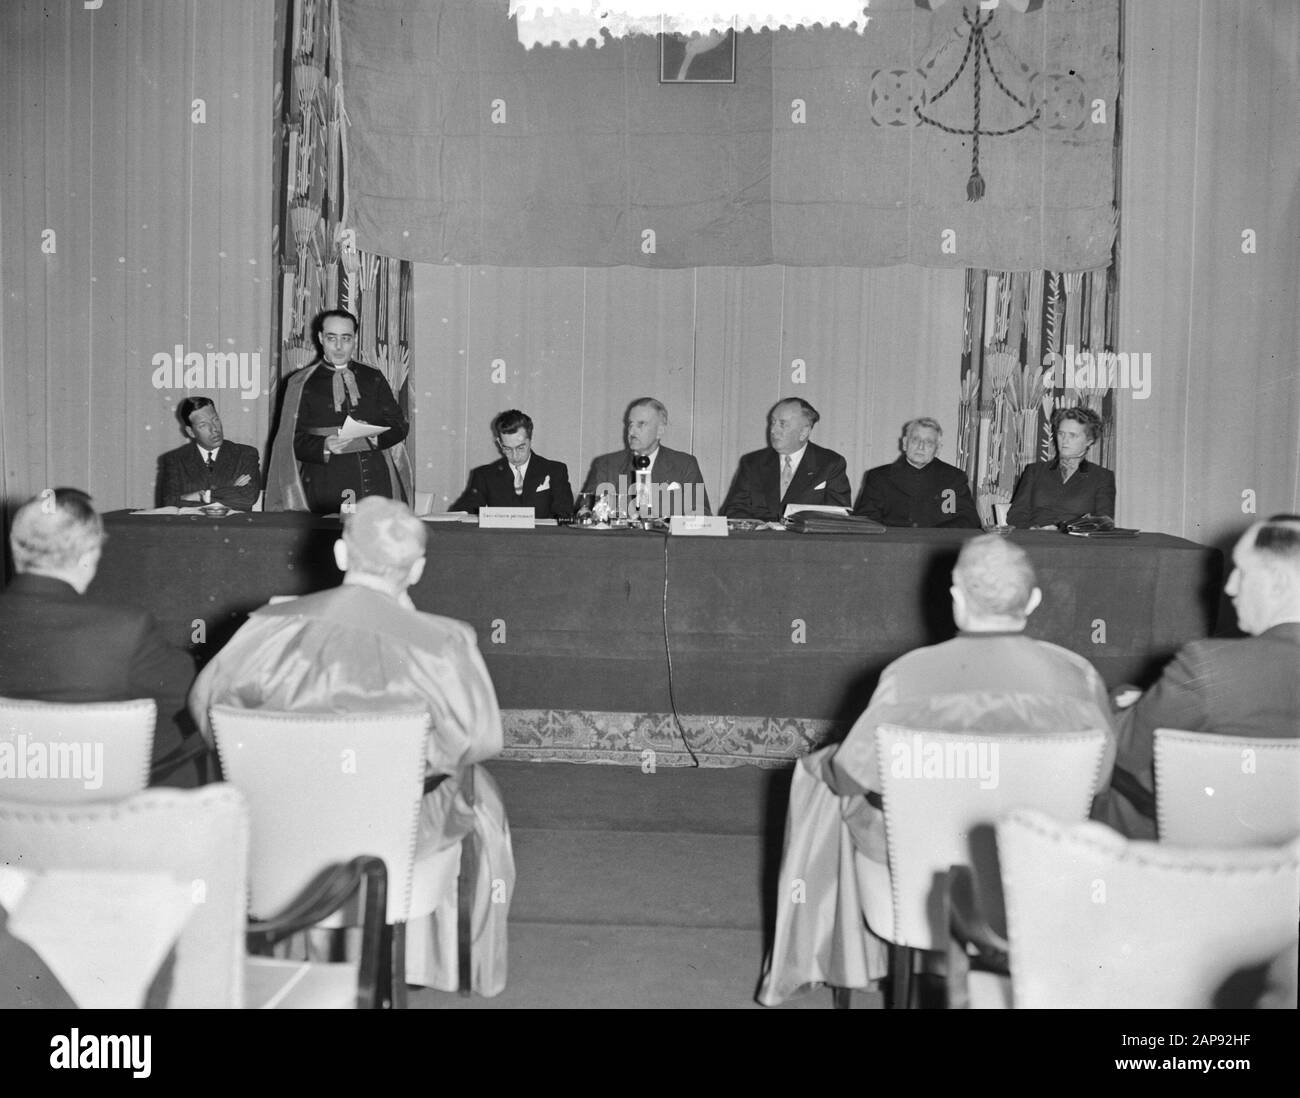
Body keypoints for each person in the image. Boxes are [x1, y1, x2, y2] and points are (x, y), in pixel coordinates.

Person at [757, 535, 1115, 1006]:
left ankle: (839, 958)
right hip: (1038, 868)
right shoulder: (1078, 675)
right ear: (1032, 600)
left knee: (822, 781)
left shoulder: (910, 675)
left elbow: (850, 778)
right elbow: (1101, 781)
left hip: (921, 869)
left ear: (956, 598)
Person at [187, 496, 514, 995]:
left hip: (280, 822)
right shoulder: (442, 642)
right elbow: (479, 739)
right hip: (395, 834)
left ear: (341, 555)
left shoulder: (267, 626)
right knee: (479, 795)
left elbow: (207, 709)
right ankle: (423, 962)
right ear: (418, 569)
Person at [1098, 515, 1300, 839]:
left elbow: (1126, 749)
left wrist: (1124, 700)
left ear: (1277, 581)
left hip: (1203, 849)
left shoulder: (1209, 665)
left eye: (1242, 572)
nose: (1230, 588)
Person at [0, 488, 197, 785]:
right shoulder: (126, 628)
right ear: (89, 555)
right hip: (108, 797)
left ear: (15, 547)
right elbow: (184, 694)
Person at [265, 308, 413, 514]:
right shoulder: (300, 383)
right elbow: (289, 443)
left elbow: (400, 425)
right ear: (320, 338)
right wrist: (324, 445)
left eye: (346, 338)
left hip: (377, 482)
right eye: (331, 338)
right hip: (326, 484)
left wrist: (374, 438)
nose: (339, 346)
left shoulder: (373, 377)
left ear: (355, 339)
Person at [720, 398, 850, 521]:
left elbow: (837, 517)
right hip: (760, 541)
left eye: (782, 424)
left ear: (804, 432)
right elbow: (734, 510)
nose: (773, 430)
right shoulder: (752, 462)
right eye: (773, 422)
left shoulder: (830, 463)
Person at [580, 397, 711, 518]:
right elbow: (585, 510)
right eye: (630, 424)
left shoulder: (684, 465)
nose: (631, 431)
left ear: (660, 430)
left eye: (641, 424)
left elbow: (701, 515)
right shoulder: (606, 465)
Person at [852, 417, 980, 528]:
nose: (921, 446)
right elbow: (865, 520)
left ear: (938, 449)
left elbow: (969, 520)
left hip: (938, 548)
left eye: (928, 442)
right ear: (904, 444)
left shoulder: (953, 478)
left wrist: (932, 535)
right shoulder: (879, 477)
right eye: (915, 440)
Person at [1006, 405, 1115, 529]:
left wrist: (1063, 530)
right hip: (1035, 540)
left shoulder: (1102, 477)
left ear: (1089, 440)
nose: (1064, 441)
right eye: (1061, 434)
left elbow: (1104, 522)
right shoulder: (1034, 471)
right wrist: (1034, 529)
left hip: (1076, 543)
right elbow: (1015, 515)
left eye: (1072, 435)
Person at [451, 409, 574, 518]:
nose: (515, 456)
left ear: (530, 440)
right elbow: (462, 511)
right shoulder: (484, 475)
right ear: (499, 443)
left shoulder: (555, 471)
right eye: (507, 449)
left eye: (520, 448)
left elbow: (565, 514)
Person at [157, 396, 262, 511]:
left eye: (215, 420)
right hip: (191, 527)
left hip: (234, 527)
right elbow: (170, 503)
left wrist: (202, 496)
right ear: (191, 432)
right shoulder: (175, 459)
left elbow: (247, 498)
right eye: (203, 425)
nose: (214, 429)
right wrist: (230, 491)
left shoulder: (245, 454)